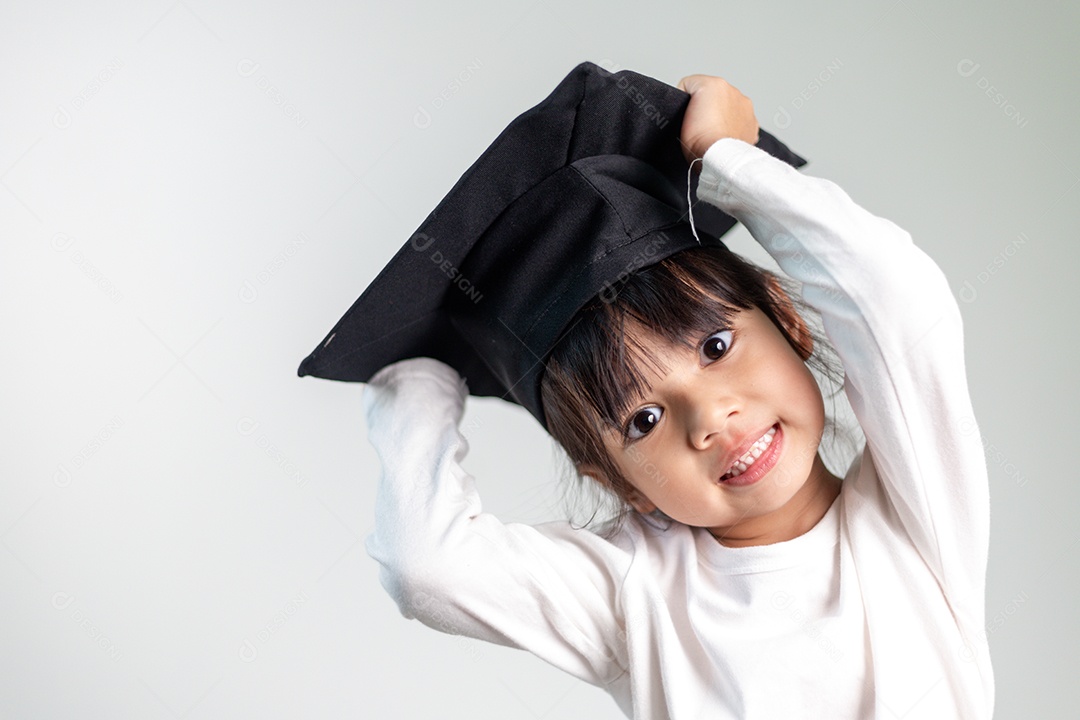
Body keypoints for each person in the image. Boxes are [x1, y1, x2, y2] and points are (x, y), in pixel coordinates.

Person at [357, 74, 995, 718]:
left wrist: (729, 161)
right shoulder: (637, 594)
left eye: (715, 348)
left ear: (788, 320)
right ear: (618, 484)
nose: (712, 418)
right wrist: (417, 381)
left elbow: (897, 295)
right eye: (645, 419)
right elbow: (426, 566)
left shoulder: (912, 512)